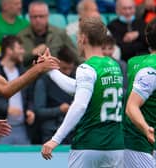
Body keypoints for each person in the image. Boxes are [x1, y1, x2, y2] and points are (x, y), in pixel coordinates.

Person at [41, 17, 124, 168]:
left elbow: (79, 104)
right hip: (115, 146)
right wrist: (51, 71)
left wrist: (55, 139)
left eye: (78, 36)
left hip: (89, 144)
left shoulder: (86, 68)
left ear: (83, 38)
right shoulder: (114, 65)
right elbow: (79, 88)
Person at [0, 35, 35, 144]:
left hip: (22, 128)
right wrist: (6, 108)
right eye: (20, 48)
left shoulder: (23, 72)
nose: (23, 51)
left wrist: (30, 110)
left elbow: (29, 96)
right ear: (9, 50)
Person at [123, 19, 156, 167]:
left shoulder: (135, 62)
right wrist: (145, 129)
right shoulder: (150, 70)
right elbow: (131, 107)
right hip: (138, 144)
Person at [18, 1, 79, 68]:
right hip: (31, 74)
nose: (38, 20)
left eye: (41, 16)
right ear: (29, 17)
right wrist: (32, 53)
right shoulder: (21, 35)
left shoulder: (59, 33)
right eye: (34, 17)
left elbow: (76, 54)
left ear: (47, 16)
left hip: (56, 72)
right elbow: (17, 61)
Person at [34, 45, 75, 144]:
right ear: (56, 63)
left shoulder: (76, 78)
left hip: (72, 132)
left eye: (70, 69)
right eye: (64, 69)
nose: (68, 73)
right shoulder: (44, 81)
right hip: (50, 133)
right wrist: (59, 110)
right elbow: (39, 111)